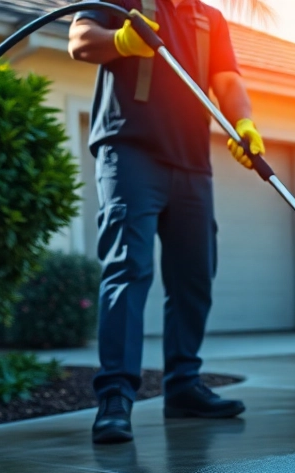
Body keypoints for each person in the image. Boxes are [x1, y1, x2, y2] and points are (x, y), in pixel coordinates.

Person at [68, 0, 262, 444]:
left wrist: (244, 123)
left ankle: (183, 387)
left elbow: (227, 79)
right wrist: (119, 40)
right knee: (128, 268)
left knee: (194, 275)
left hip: (192, 161)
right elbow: (79, 41)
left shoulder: (208, 18)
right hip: (129, 151)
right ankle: (115, 397)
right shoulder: (123, 3)